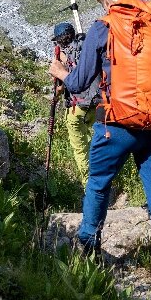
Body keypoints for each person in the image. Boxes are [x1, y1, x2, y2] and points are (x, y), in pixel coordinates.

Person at [48, 0, 151, 300]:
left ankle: (87, 251)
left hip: (116, 126)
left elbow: (79, 83)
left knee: (97, 185)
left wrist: (60, 71)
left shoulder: (103, 26)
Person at [50, 22, 99, 186]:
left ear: (58, 41)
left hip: (77, 107)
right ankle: (103, 175)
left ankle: (89, 185)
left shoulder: (62, 56)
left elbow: (59, 87)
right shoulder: (87, 47)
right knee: (96, 140)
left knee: (80, 148)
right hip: (98, 103)